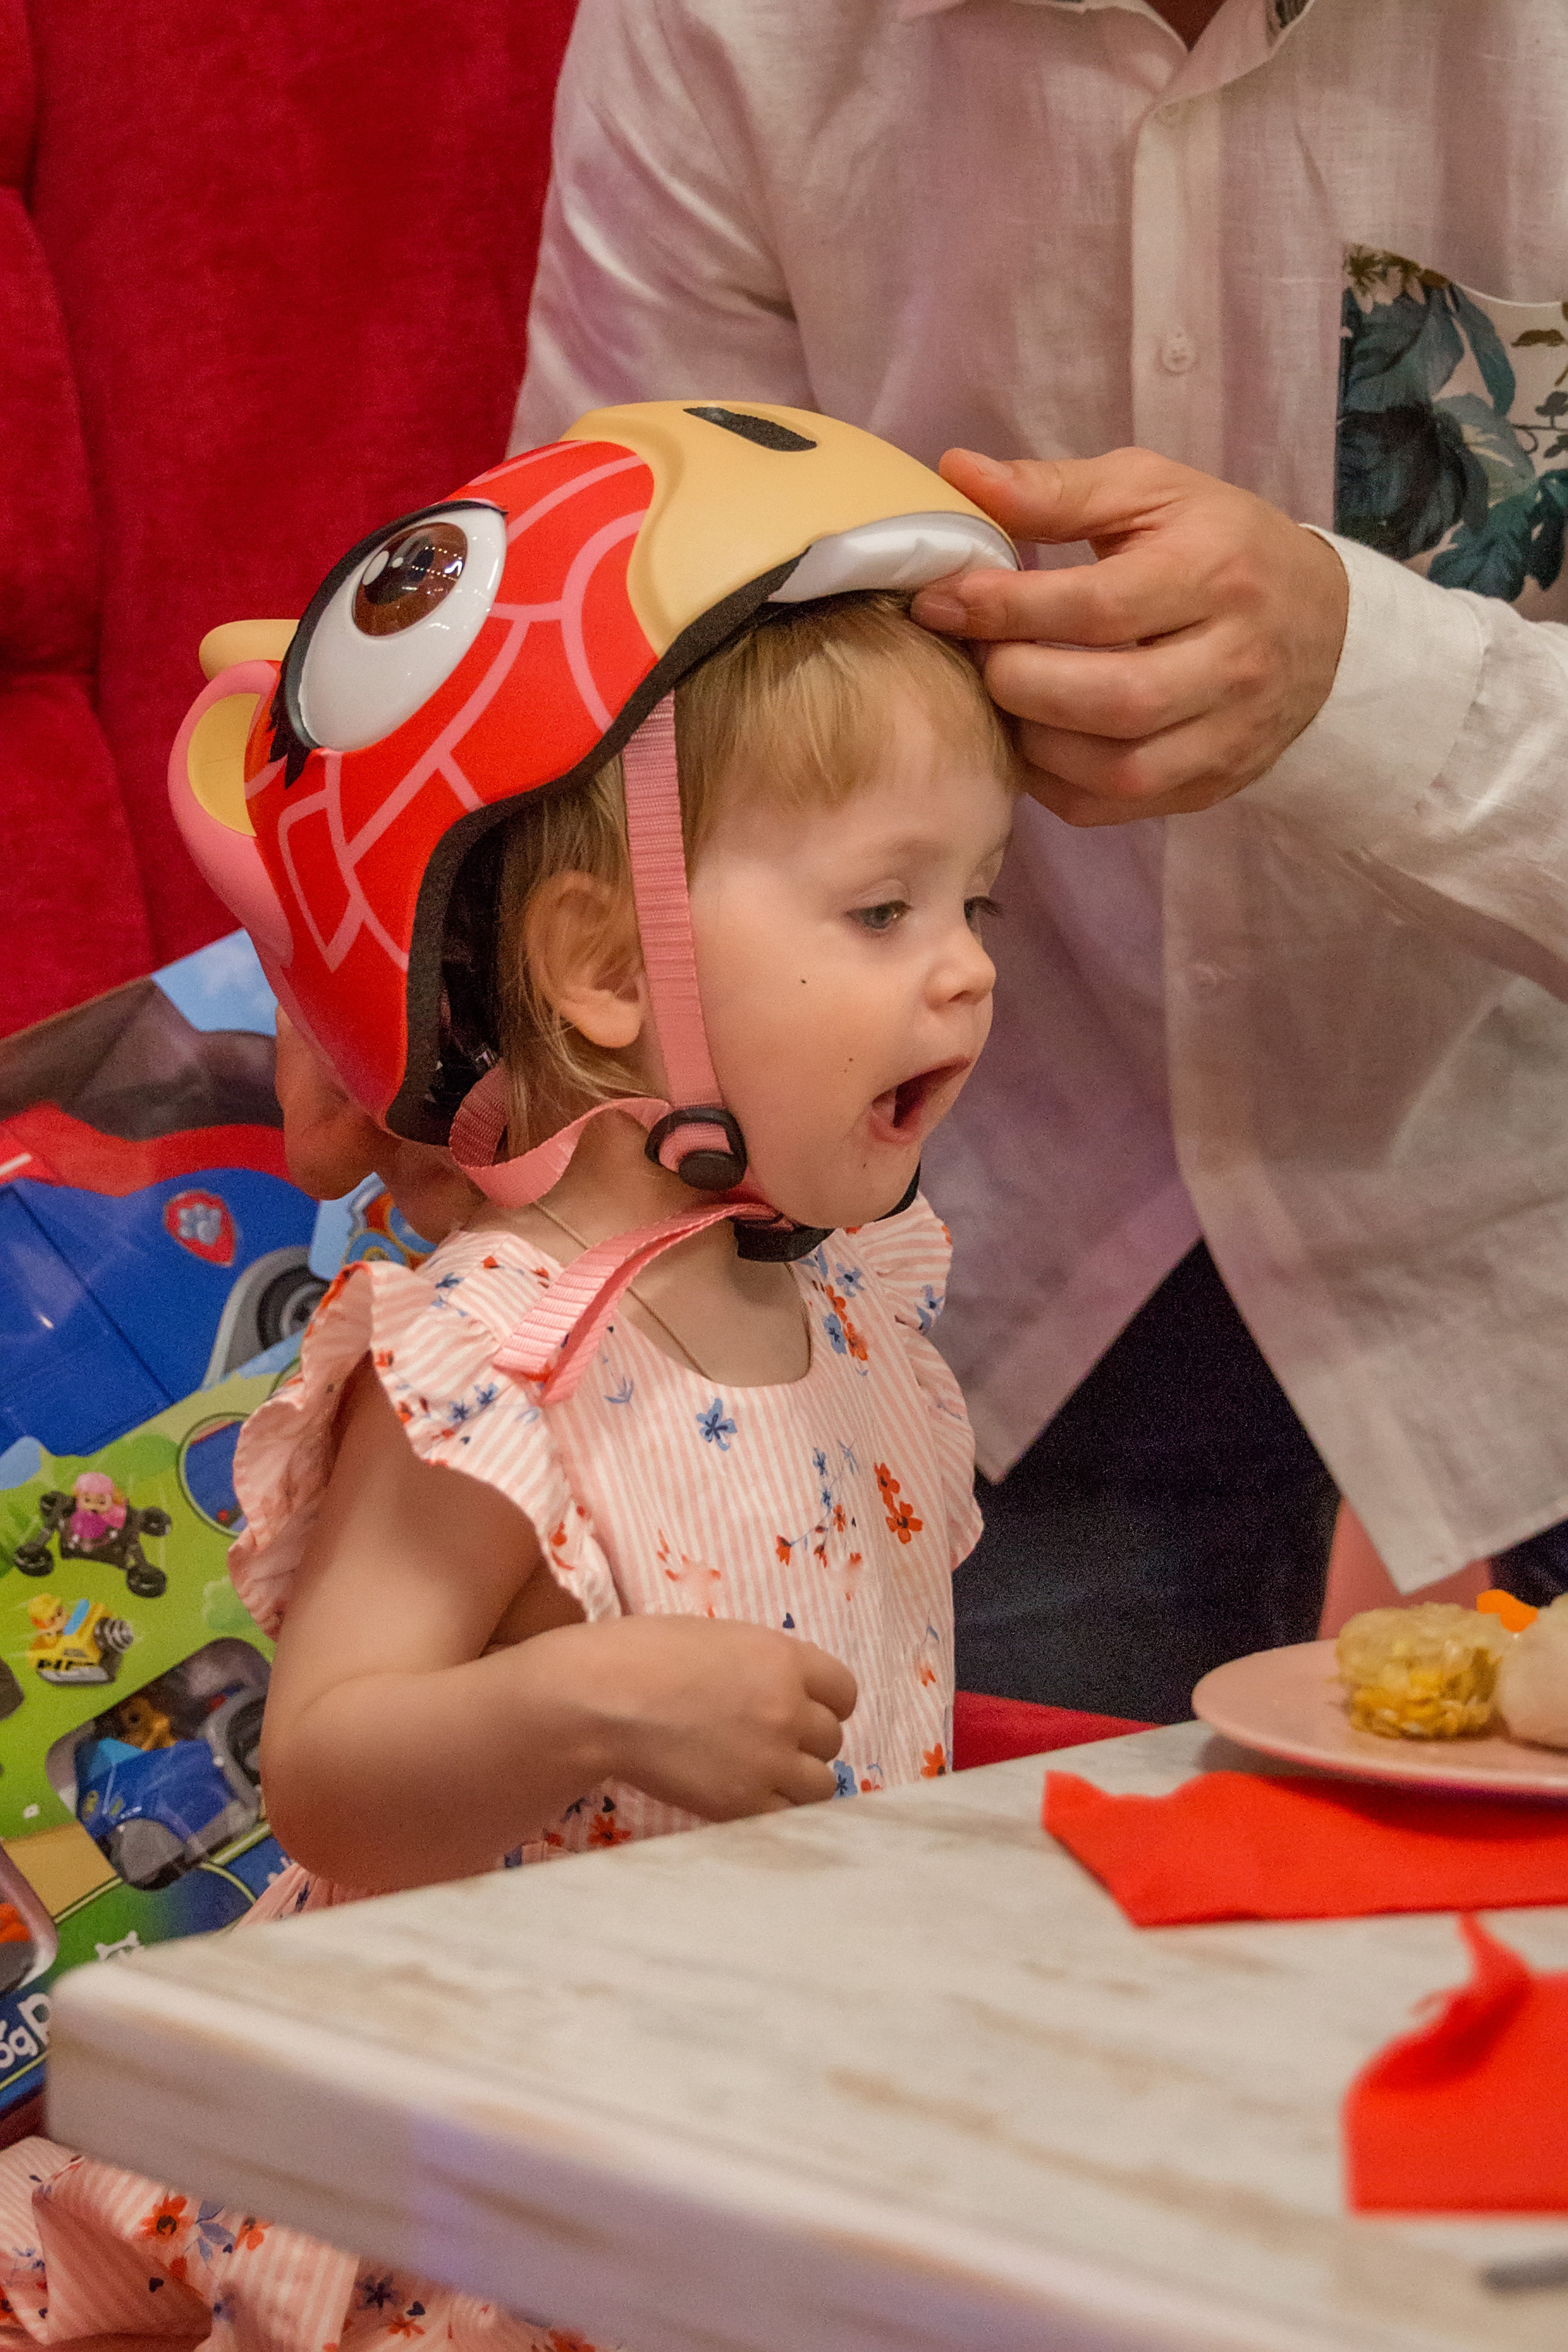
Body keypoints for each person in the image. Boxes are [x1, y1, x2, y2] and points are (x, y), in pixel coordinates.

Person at [0, 410, 1020, 2345]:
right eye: (886, 910)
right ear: (605, 973)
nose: (966, 971)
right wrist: (585, 1702)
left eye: (983, 907)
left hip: (753, 2142)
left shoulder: (858, 1316)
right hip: (494, 2188)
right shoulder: (491, 1355)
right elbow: (328, 1775)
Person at [486, 0, 1568, 1719]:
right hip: (951, 1267)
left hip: (1526, 1221)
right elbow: (606, 668)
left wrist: (1363, 677)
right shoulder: (727, 32)